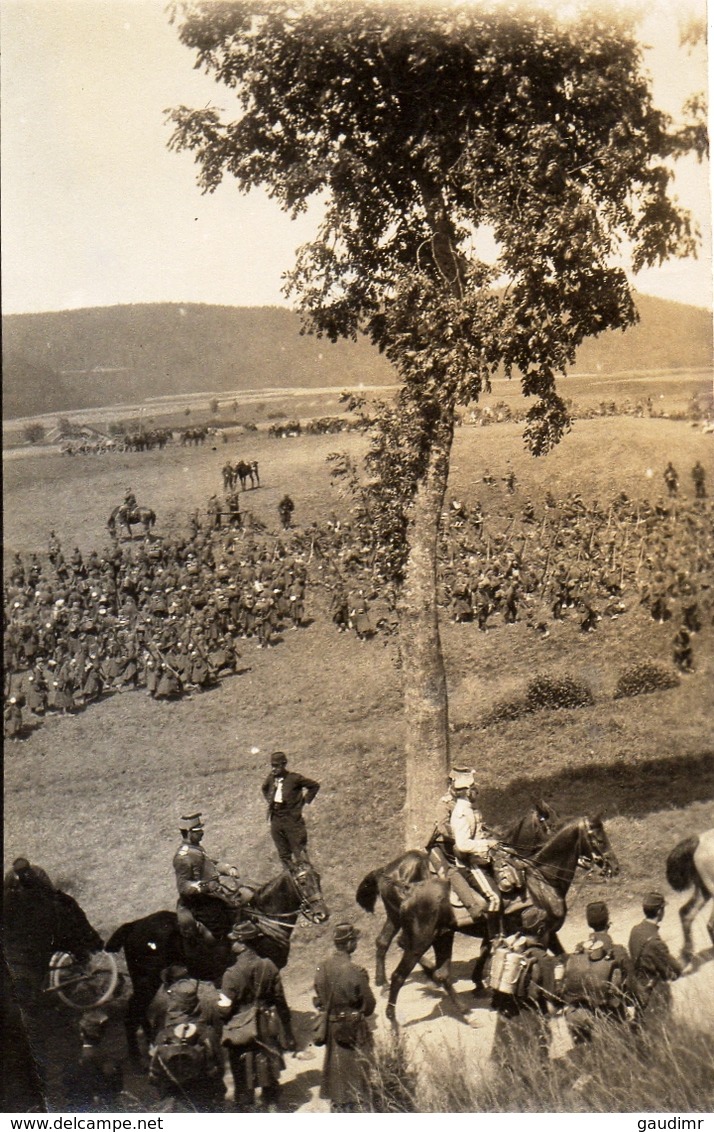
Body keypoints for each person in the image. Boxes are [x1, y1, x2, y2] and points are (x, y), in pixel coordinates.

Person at [217, 920, 296, 1112]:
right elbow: (280, 1000)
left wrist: (216, 1006)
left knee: (243, 1075)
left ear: (243, 944)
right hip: (266, 1024)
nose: (232, 943)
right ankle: (272, 1106)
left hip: (241, 1028)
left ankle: (246, 1108)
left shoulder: (231, 974)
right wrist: (287, 1029)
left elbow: (224, 1010)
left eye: (235, 940)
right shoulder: (269, 965)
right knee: (268, 1067)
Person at [313, 922, 376, 1113]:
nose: (356, 943)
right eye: (354, 940)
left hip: (333, 1028)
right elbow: (369, 1005)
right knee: (356, 1076)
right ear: (349, 944)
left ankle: (339, 1109)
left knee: (336, 1073)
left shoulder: (322, 967)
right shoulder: (354, 971)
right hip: (353, 1030)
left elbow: (318, 997)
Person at [490, 906, 557, 1079]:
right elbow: (550, 1007)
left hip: (504, 1034)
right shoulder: (544, 959)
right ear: (542, 930)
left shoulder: (509, 953)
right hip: (530, 1035)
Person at [560, 901, 635, 1049]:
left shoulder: (579, 950)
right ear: (608, 922)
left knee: (585, 1054)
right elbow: (632, 985)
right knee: (614, 1055)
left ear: (589, 924)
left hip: (575, 1015)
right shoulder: (618, 951)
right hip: (605, 1015)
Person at [173, 813, 243, 945]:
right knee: (221, 926)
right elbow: (184, 886)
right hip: (199, 903)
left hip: (211, 896)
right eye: (198, 831)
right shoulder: (183, 857)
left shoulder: (196, 849)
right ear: (188, 833)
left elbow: (211, 864)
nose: (202, 833)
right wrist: (206, 886)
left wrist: (228, 869)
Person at [449, 771, 502, 929]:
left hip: (482, 860)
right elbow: (463, 845)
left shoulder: (471, 808)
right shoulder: (460, 813)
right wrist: (487, 844)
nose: (476, 792)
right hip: (471, 865)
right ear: (466, 792)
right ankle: (495, 941)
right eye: (473, 789)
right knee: (495, 898)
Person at [628, 892, 682, 1029]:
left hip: (639, 990)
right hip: (653, 996)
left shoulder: (635, 930)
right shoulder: (655, 942)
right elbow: (674, 972)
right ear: (659, 911)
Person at [261, 752, 320, 869]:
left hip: (292, 820)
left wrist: (304, 801)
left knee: (299, 852)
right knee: (283, 854)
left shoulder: (294, 778)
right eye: (272, 765)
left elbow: (314, 786)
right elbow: (264, 788)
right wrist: (271, 801)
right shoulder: (271, 778)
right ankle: (291, 880)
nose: (274, 769)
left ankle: (307, 880)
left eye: (276, 766)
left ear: (284, 765)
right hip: (276, 819)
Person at [63, 1010, 124, 1112]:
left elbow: (67, 1083)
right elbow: (118, 1087)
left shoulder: (73, 1061)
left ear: (82, 1034)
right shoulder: (112, 1062)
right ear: (103, 1034)